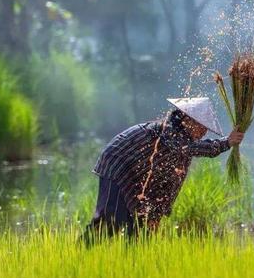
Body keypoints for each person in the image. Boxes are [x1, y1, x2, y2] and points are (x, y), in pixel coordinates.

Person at [82, 97, 243, 244]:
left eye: (205, 128)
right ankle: (82, 251)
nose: (203, 132)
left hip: (138, 176)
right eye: (201, 126)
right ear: (187, 120)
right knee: (112, 219)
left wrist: (157, 213)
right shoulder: (169, 131)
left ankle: (134, 265)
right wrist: (226, 143)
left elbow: (172, 183)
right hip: (118, 165)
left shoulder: (183, 147)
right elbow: (189, 148)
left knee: (142, 229)